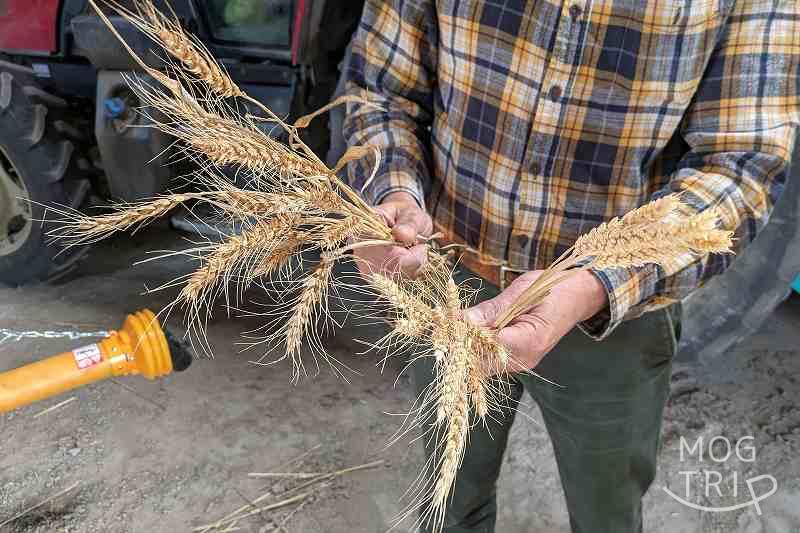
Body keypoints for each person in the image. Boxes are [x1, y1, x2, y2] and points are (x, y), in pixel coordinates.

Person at [342, 1, 799, 532]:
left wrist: (588, 283)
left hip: (614, 311)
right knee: (450, 494)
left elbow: (741, 164)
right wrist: (392, 191)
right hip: (445, 275)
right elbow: (380, 89)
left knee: (606, 510)